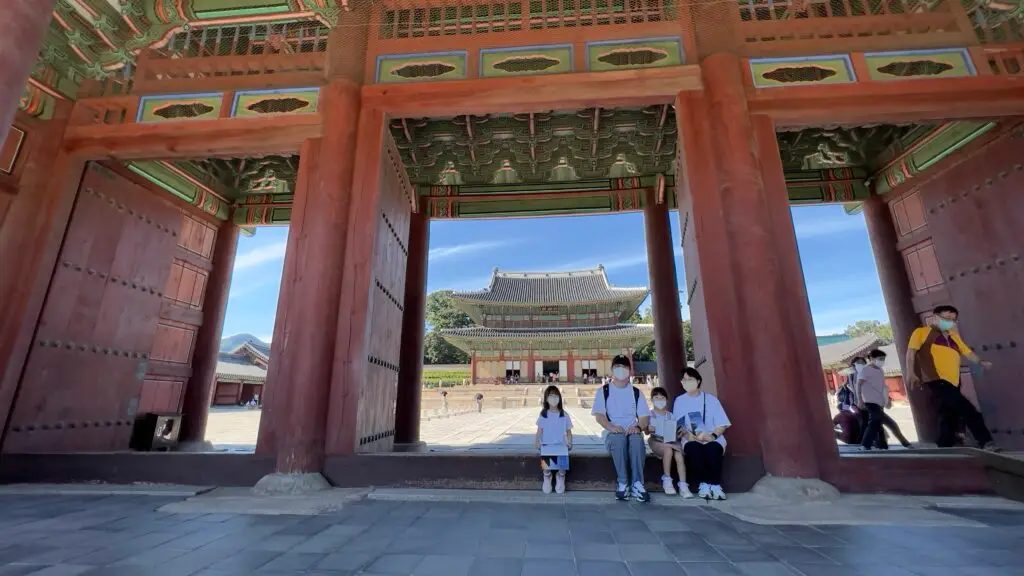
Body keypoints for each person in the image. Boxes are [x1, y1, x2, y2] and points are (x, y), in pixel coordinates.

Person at [906, 305, 998, 451]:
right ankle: (986, 441)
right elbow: (911, 353)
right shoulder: (922, 332)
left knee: (949, 414)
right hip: (937, 380)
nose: (950, 322)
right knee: (967, 409)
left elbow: (967, 352)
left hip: (954, 381)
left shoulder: (954, 336)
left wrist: (981, 362)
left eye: (953, 320)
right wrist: (911, 373)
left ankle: (944, 445)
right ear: (935, 316)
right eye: (946, 318)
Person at [591, 354, 651, 502]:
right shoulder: (603, 391)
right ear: (612, 370)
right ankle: (623, 482)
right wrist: (611, 426)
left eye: (624, 367)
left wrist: (637, 427)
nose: (620, 370)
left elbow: (644, 417)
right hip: (612, 432)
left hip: (632, 430)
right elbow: (599, 416)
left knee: (637, 442)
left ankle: (638, 483)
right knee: (618, 440)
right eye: (617, 367)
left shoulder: (636, 392)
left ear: (629, 371)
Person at [674, 368, 731, 500]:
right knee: (695, 450)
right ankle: (704, 484)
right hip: (690, 438)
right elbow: (678, 424)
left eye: (690, 379)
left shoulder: (711, 400)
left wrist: (712, 436)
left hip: (712, 437)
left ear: (698, 381)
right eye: (684, 380)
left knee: (712, 449)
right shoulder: (679, 401)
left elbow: (722, 423)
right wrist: (689, 436)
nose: (687, 382)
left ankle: (716, 485)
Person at [646, 387, 691, 497]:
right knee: (668, 450)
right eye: (656, 398)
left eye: (662, 397)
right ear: (652, 399)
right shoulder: (649, 415)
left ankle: (683, 485)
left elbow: (675, 431)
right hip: (657, 441)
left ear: (666, 400)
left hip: (671, 440)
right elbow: (646, 431)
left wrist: (680, 431)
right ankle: (667, 479)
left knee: (679, 455)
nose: (659, 400)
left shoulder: (670, 415)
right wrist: (648, 428)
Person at [535, 385, 572, 494]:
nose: (554, 398)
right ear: (546, 398)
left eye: (556, 396)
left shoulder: (564, 415)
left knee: (562, 467)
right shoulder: (543, 414)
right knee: (546, 469)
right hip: (547, 444)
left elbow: (569, 431)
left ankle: (561, 477)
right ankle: (547, 476)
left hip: (561, 444)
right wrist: (536, 441)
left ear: (560, 398)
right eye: (551, 396)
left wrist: (570, 442)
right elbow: (539, 430)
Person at [856, 349, 892, 451]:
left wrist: (888, 399)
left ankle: (882, 445)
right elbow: (858, 384)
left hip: (879, 401)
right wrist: (859, 399)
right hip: (869, 400)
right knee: (875, 420)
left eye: (883, 359)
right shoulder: (866, 370)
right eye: (880, 359)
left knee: (878, 421)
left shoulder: (880, 371)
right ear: (871, 359)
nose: (882, 361)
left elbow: (883, 386)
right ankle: (865, 445)